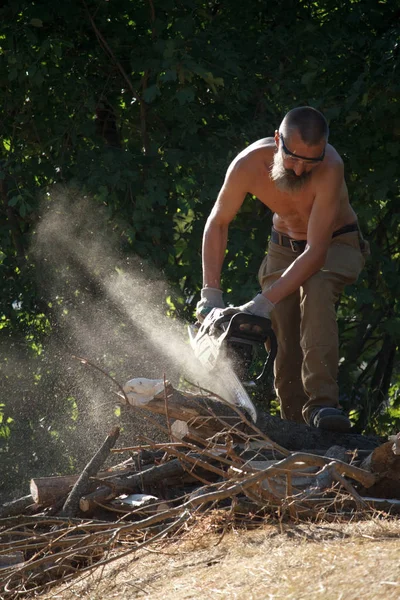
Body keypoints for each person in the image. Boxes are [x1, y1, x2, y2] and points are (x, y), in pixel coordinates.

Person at [196, 106, 369, 432]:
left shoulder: (331, 167)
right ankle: (295, 426)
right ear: (278, 140)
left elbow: (316, 253)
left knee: (316, 288)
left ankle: (323, 406)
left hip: (336, 245)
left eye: (310, 162)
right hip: (282, 248)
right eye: (293, 159)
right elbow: (218, 222)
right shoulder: (247, 164)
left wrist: (262, 302)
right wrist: (210, 296)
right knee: (281, 328)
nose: (301, 170)